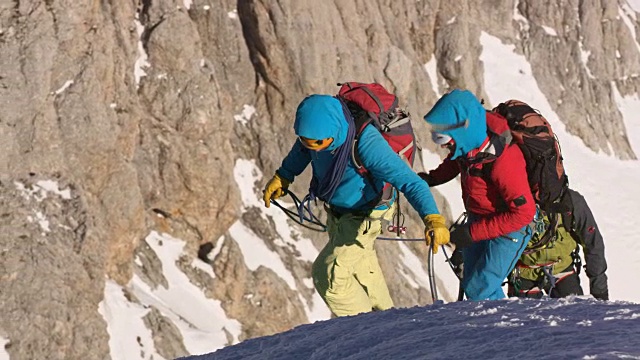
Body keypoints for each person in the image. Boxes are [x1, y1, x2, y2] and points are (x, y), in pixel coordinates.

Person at [262, 94, 449, 316]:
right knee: (362, 268)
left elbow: (410, 182)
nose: (315, 148)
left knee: (330, 277)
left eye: (319, 143)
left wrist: (433, 219)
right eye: (306, 140)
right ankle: (389, 319)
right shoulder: (318, 134)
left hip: (366, 215)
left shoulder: (367, 145)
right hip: (338, 212)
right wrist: (284, 176)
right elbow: (302, 150)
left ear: (332, 132)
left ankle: (371, 331)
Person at [420, 89, 537, 301]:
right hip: (480, 220)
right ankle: (499, 327)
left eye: (445, 138)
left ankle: (504, 330)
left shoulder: (504, 160)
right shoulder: (470, 145)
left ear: (463, 130)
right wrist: (433, 178)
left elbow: (523, 214)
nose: (444, 145)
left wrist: (472, 233)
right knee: (473, 284)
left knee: (479, 289)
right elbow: (457, 160)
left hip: (510, 230)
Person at [508, 188, 609, 300]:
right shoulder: (570, 199)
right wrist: (600, 292)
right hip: (561, 267)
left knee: (523, 316)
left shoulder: (513, 198)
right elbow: (593, 243)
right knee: (574, 314)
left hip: (523, 270)